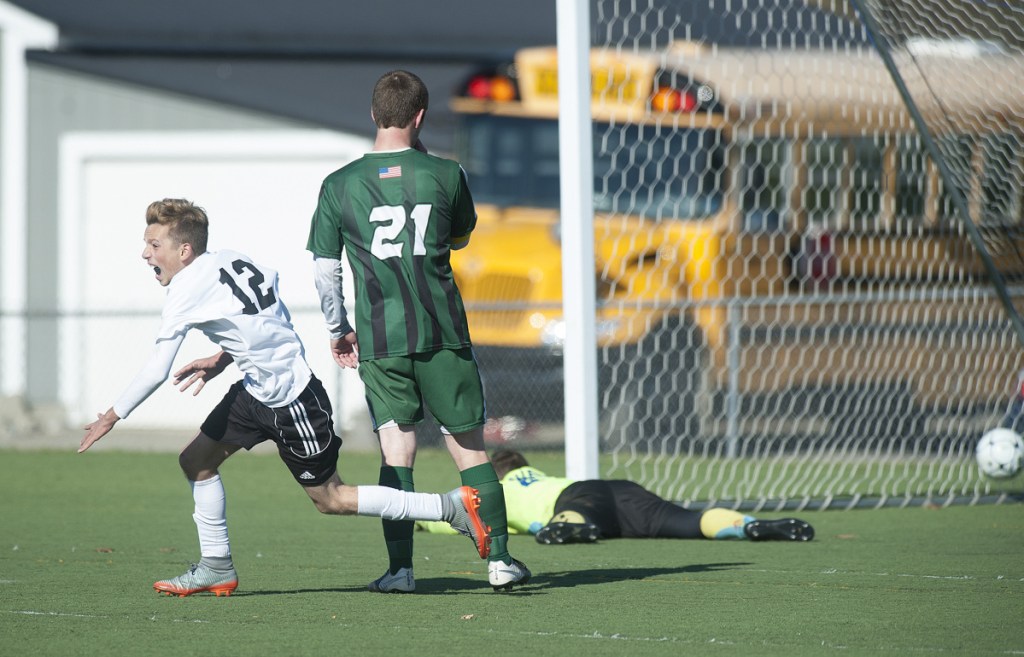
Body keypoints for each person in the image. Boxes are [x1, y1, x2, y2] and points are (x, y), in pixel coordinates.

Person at [79, 198, 491, 597]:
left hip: (293, 402)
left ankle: (447, 507)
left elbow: (157, 367)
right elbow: (268, 316)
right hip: (255, 393)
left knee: (331, 499)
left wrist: (112, 416)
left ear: (184, 250)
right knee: (196, 461)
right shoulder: (230, 259)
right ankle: (216, 566)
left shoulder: (186, 287)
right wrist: (225, 358)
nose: (145, 254)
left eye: (154, 245)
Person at [306, 70, 529, 593]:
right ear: (421, 116)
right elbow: (461, 236)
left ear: (372, 114)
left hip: (380, 340)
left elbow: (324, 269)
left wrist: (339, 327)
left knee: (396, 453)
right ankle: (498, 560)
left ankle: (401, 572)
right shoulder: (448, 173)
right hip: (443, 334)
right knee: (469, 450)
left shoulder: (339, 184)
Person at [419, 450, 814, 544]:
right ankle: (748, 525)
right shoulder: (537, 476)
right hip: (616, 489)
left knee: (574, 515)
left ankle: (574, 528)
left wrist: (417, 519)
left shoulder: (497, 493)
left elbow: (455, 520)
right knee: (685, 521)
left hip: (579, 500)